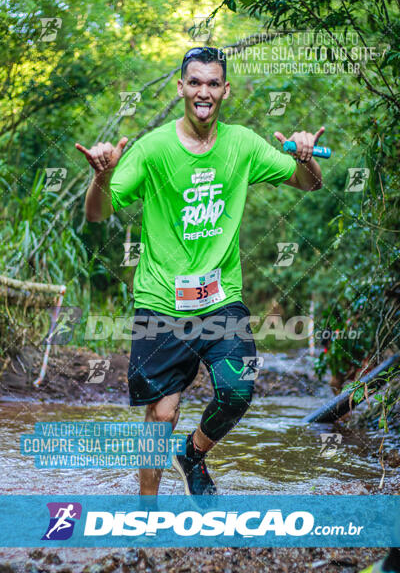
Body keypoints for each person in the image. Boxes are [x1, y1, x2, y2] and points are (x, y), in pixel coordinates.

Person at [76, 46, 324, 498]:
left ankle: (192, 454)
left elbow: (310, 183)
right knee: (162, 414)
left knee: (238, 390)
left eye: (213, 83)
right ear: (181, 88)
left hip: (219, 295)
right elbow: (97, 214)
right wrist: (102, 177)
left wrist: (307, 156)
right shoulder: (152, 149)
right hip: (160, 299)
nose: (203, 91)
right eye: (195, 82)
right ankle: (146, 516)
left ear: (225, 90)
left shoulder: (243, 144)